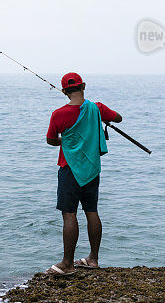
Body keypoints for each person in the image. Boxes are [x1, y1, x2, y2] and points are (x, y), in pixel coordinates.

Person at [44, 72, 122, 276]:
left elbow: (51, 140)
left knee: (69, 214)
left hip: (69, 169)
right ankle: (93, 259)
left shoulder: (58, 114)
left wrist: (66, 141)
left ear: (64, 91)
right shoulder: (96, 108)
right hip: (92, 169)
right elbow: (118, 118)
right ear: (83, 86)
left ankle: (67, 264)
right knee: (91, 211)